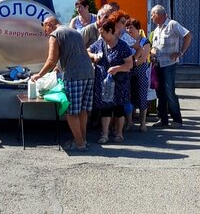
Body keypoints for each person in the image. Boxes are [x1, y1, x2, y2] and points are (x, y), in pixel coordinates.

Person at [31, 16, 94, 151]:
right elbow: (73, 53)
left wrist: (39, 74)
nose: (46, 33)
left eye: (45, 29)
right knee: (83, 109)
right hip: (89, 73)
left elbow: (52, 59)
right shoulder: (74, 32)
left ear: (49, 24)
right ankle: (83, 140)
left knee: (71, 112)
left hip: (74, 75)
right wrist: (59, 66)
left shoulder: (55, 34)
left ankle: (79, 143)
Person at [88, 19, 134, 144]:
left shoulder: (122, 46)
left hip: (119, 83)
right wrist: (93, 56)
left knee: (119, 108)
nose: (101, 36)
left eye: (103, 33)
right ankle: (105, 134)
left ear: (111, 31)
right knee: (105, 108)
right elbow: (87, 51)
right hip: (103, 84)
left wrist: (117, 68)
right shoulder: (100, 44)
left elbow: (129, 64)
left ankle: (119, 134)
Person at [149, 5, 192, 128]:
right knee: (160, 92)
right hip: (158, 64)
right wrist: (152, 54)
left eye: (153, 14)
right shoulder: (157, 29)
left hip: (169, 64)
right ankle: (162, 119)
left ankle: (177, 120)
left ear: (160, 14)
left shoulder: (172, 24)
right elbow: (155, 47)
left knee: (169, 91)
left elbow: (188, 36)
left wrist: (181, 52)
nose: (151, 17)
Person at [125, 18, 151, 132]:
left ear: (137, 29)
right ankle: (129, 122)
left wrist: (131, 63)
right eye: (127, 27)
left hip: (140, 70)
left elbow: (143, 58)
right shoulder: (125, 41)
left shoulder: (145, 41)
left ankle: (143, 122)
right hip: (128, 70)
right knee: (128, 95)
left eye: (131, 27)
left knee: (142, 95)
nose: (128, 30)